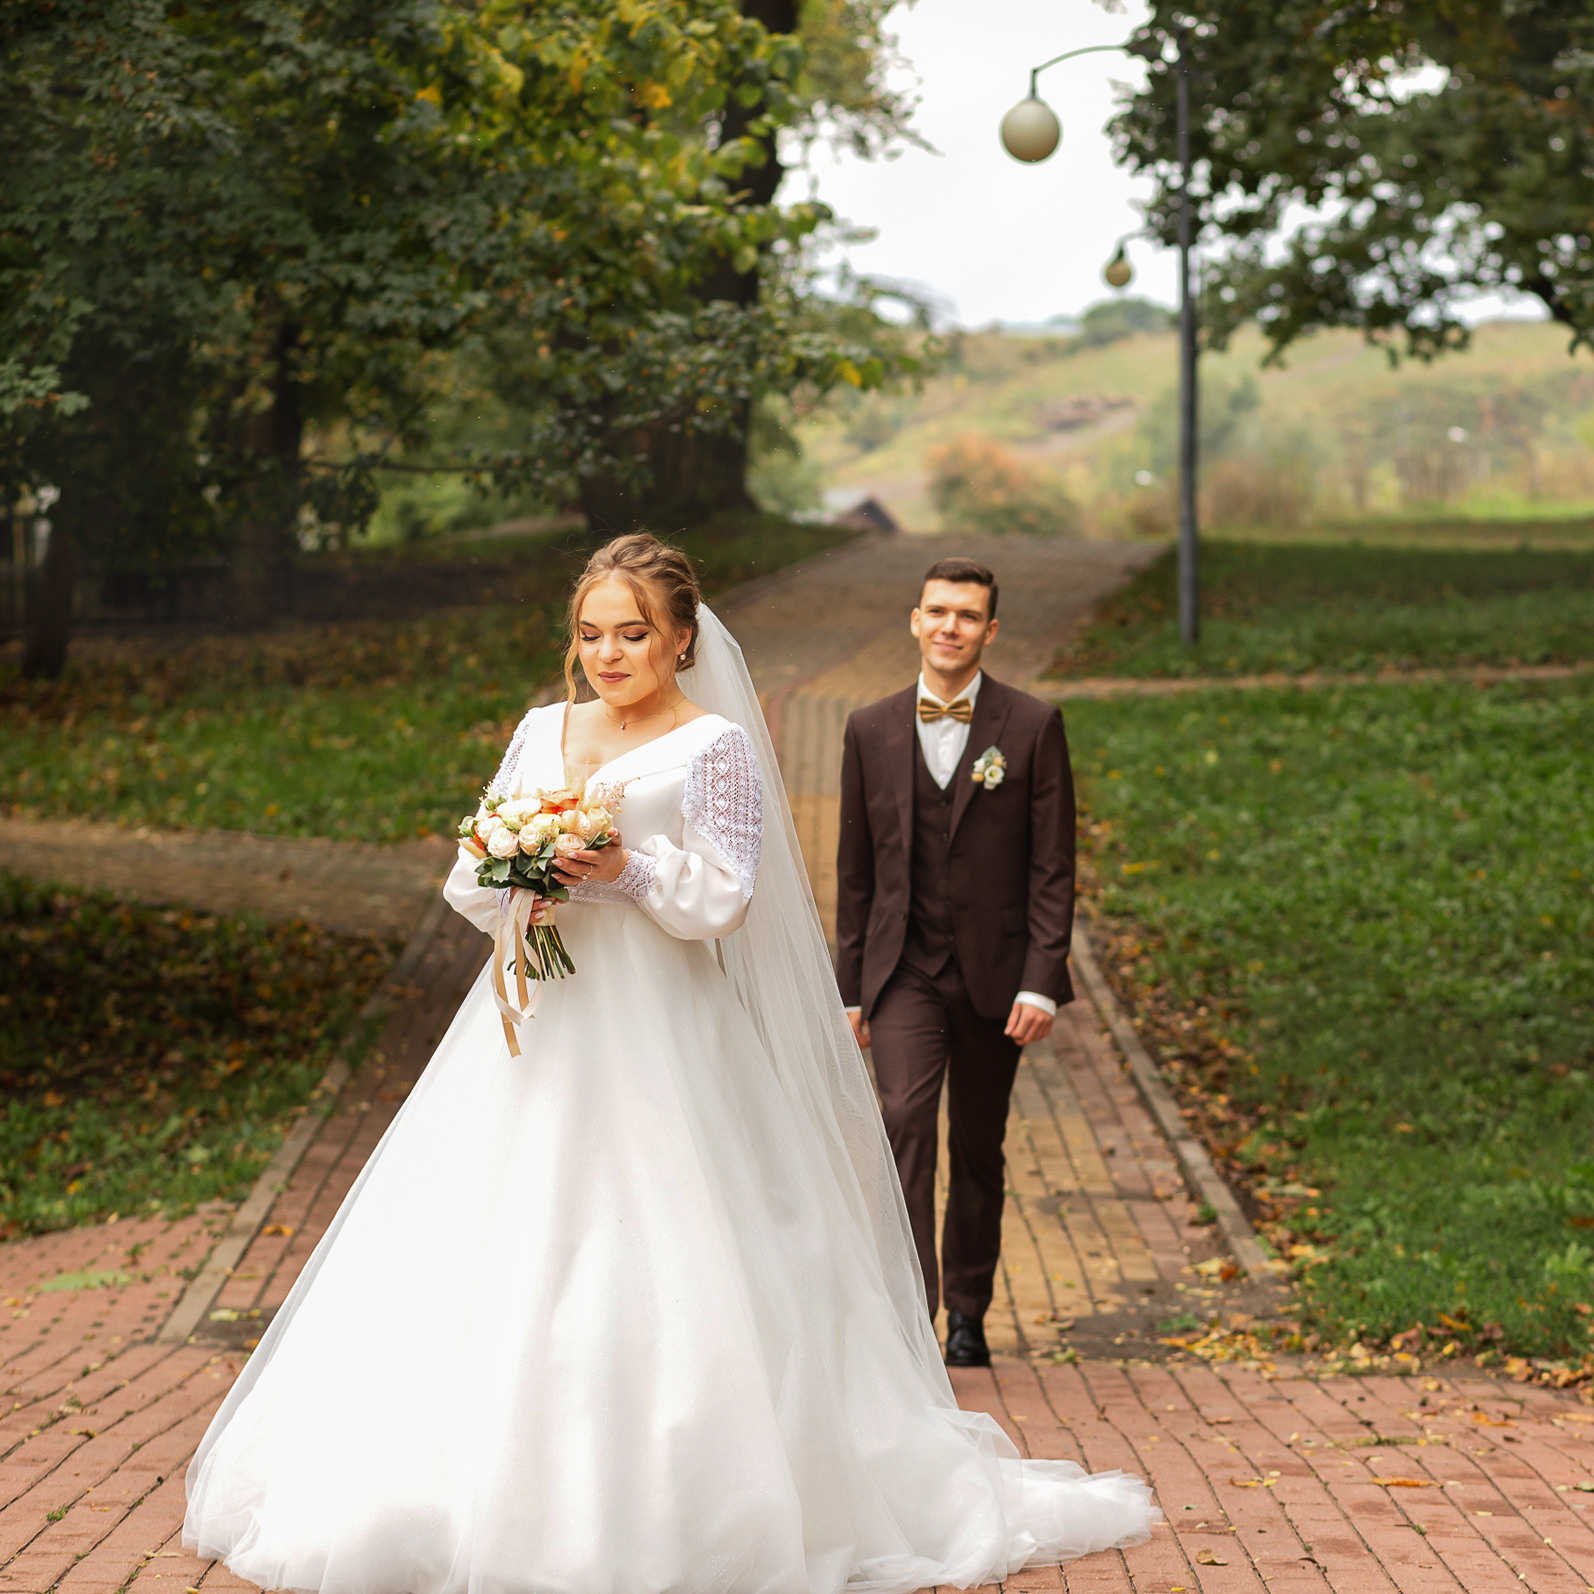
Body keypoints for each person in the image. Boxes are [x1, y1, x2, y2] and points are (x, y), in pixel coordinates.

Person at [184, 535, 1154, 1594]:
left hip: (665, 1034)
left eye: (632, 633)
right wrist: (526, 871)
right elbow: (468, 872)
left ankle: (687, 1497)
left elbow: (724, 900)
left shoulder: (715, 747)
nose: (608, 653)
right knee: (500, 1235)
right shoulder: (541, 731)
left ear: (681, 639)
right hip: (539, 1024)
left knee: (670, 1247)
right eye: (591, 634)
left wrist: (625, 866)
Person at [836, 557, 1076, 1370]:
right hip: (902, 969)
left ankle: (969, 1311)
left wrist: (1043, 978)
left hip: (995, 976)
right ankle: (912, 1316)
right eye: (938, 611)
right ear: (915, 620)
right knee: (905, 1125)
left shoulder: (1033, 725)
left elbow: (1053, 867)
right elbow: (856, 870)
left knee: (979, 1145)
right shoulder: (867, 728)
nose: (950, 627)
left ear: (990, 630)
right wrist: (849, 990)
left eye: (967, 616)